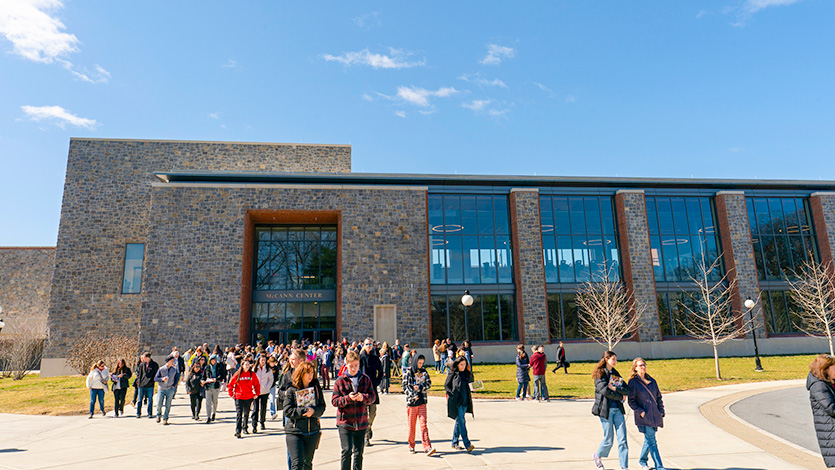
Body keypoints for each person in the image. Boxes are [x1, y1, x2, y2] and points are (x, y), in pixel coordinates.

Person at [332, 350, 376, 470]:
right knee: (346, 451)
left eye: (356, 365)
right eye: (351, 366)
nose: (354, 368)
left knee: (358, 453)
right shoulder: (340, 380)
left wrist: (363, 397)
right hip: (345, 422)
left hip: (361, 422)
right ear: (346, 365)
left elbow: (373, 397)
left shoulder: (365, 379)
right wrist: (347, 398)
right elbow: (334, 401)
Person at [284, 361, 327, 470]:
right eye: (307, 373)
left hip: (312, 431)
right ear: (301, 373)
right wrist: (303, 411)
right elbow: (287, 411)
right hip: (295, 431)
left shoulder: (316, 388)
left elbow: (322, 407)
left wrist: (313, 411)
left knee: (307, 464)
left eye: (312, 372)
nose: (310, 375)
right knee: (297, 464)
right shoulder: (291, 389)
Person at [592, 350, 629, 470]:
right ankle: (598, 456)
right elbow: (604, 391)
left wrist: (615, 388)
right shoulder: (600, 374)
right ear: (606, 359)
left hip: (617, 409)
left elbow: (626, 389)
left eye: (616, 359)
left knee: (622, 439)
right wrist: (620, 396)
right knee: (608, 439)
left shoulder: (615, 373)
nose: (615, 362)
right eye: (613, 359)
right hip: (605, 409)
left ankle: (624, 467)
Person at [628, 358, 666, 470]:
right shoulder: (633, 383)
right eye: (640, 365)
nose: (643, 367)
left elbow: (659, 397)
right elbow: (631, 401)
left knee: (648, 440)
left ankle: (642, 461)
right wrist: (641, 412)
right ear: (635, 368)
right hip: (644, 417)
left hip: (655, 415)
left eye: (644, 365)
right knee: (652, 441)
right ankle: (659, 466)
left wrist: (661, 411)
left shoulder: (652, 381)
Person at [403, 353, 435, 455]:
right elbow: (405, 386)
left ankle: (427, 446)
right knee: (412, 426)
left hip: (422, 402)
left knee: (423, 425)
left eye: (422, 363)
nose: (420, 365)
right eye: (419, 363)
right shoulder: (408, 372)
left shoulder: (424, 371)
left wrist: (420, 387)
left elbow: (429, 383)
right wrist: (413, 395)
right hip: (412, 404)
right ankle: (411, 445)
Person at [808, 354, 835, 468]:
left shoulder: (829, 382)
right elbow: (832, 409)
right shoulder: (819, 386)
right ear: (825, 369)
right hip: (831, 432)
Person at [445, 356, 475, 453]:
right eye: (461, 364)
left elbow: (471, 385)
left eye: (464, 364)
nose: (463, 366)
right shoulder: (453, 374)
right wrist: (452, 395)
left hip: (466, 401)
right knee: (462, 421)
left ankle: (454, 442)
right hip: (457, 402)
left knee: (459, 421)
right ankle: (467, 444)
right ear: (457, 365)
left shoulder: (467, 374)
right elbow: (446, 385)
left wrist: (475, 388)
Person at [228, 357, 260, 438]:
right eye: (245, 364)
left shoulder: (252, 374)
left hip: (249, 397)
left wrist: (257, 393)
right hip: (239, 397)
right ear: (242, 365)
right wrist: (231, 394)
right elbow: (231, 384)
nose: (247, 366)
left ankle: (245, 428)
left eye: (248, 365)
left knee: (246, 413)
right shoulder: (238, 374)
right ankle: (238, 431)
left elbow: (256, 384)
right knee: (239, 414)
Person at [359, 338, 383, 447]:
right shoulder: (360, 358)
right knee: (364, 413)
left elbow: (381, 372)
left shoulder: (375, 358)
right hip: (363, 390)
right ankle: (365, 437)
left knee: (373, 412)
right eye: (367, 344)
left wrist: (377, 381)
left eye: (370, 344)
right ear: (363, 345)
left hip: (372, 388)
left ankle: (369, 427)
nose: (369, 346)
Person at [252, 354, 275, 433]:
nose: (263, 362)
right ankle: (254, 425)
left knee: (263, 408)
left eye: (264, 360)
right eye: (261, 360)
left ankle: (262, 422)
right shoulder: (254, 369)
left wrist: (267, 387)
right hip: (256, 391)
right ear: (258, 360)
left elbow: (271, 379)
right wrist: (253, 388)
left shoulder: (268, 369)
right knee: (255, 409)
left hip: (265, 391)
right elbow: (251, 379)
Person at [154, 356, 180, 425]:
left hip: (170, 389)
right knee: (159, 403)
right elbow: (156, 378)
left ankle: (165, 418)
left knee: (168, 405)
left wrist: (174, 385)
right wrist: (162, 379)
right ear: (167, 362)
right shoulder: (161, 369)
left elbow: (177, 378)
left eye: (173, 361)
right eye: (171, 361)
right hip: (161, 388)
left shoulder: (174, 370)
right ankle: (158, 415)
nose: (173, 362)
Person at [134, 352, 158, 418]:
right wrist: (139, 382)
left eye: (144, 357)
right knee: (139, 399)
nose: (142, 358)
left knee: (150, 399)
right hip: (141, 385)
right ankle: (138, 413)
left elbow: (156, 374)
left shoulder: (154, 365)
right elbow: (139, 374)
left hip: (150, 385)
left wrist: (152, 381)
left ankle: (149, 413)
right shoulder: (142, 365)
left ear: (148, 357)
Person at [204, 354, 226, 423]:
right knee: (208, 402)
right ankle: (208, 416)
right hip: (208, 386)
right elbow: (203, 376)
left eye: (214, 360)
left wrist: (216, 379)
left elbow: (223, 376)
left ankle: (214, 413)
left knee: (214, 401)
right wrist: (204, 381)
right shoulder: (207, 367)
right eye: (211, 360)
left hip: (216, 386)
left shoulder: (219, 367)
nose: (213, 362)